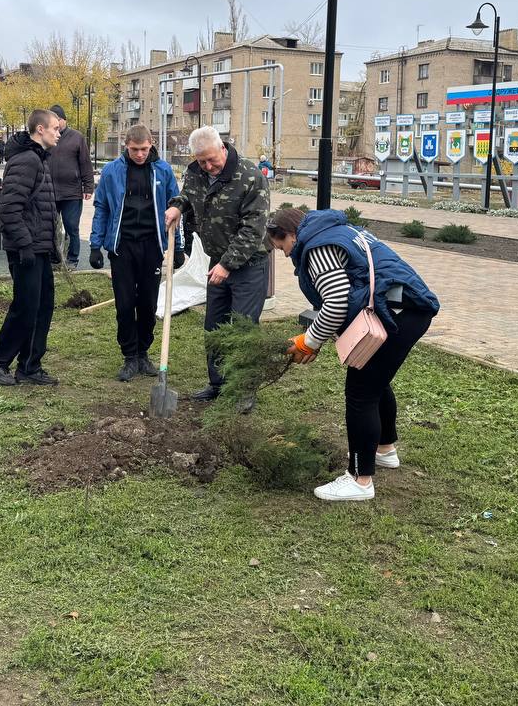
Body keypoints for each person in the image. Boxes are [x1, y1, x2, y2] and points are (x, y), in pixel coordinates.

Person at [268, 206, 440, 502]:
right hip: (407, 309)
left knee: (361, 392)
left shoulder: (318, 247)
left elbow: (335, 303)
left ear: (292, 235)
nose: (284, 255)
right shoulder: (336, 232)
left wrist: (308, 341)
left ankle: (360, 480)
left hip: (399, 313)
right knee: (375, 379)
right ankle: (384, 449)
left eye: (281, 246)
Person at [163, 126, 269, 412]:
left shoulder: (250, 176)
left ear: (222, 148)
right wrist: (177, 206)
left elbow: (253, 229)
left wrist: (227, 264)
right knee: (214, 325)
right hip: (217, 262)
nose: (208, 166)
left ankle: (244, 391)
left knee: (243, 328)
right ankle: (218, 384)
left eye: (212, 159)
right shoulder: (196, 172)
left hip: (248, 264)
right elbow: (189, 193)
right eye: (202, 161)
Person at [89, 125, 184, 382]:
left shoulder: (163, 171)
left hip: (152, 246)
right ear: (126, 146)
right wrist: (95, 245)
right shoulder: (112, 172)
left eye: (144, 149)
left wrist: (179, 247)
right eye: (134, 150)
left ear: (151, 144)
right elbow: (102, 208)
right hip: (122, 247)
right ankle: (129, 356)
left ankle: (144, 353)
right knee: (124, 303)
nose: (140, 154)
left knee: (148, 303)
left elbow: (177, 208)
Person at [0, 109, 62, 387]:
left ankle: (29, 366)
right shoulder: (27, 161)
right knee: (26, 308)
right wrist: (26, 246)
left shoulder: (39, 159)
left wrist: (49, 245)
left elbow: (40, 208)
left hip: (39, 248)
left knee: (42, 307)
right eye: (54, 128)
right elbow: (10, 209)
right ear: (40, 129)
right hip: (26, 250)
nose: (58, 133)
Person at [45, 105, 93, 269]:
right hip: (49, 191)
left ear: (64, 120)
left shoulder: (77, 137)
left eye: (58, 119)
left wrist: (88, 187)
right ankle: (54, 258)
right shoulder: (46, 136)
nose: (56, 123)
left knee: (72, 226)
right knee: (50, 226)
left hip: (71, 192)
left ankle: (72, 259)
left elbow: (85, 163)